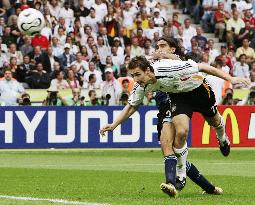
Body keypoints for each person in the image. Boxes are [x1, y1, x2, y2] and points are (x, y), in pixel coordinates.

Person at [99, 37, 249, 198]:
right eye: (133, 75)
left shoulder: (170, 68)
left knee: (214, 121)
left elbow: (203, 67)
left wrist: (231, 79)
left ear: (148, 71)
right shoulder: (143, 84)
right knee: (182, 132)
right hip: (179, 97)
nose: (135, 79)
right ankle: (181, 172)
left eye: (137, 75)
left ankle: (223, 137)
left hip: (198, 90)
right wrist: (114, 124)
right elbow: (132, 105)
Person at [155, 91, 223, 195]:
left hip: (173, 105)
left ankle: (171, 184)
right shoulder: (152, 82)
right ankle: (210, 188)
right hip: (164, 107)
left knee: (171, 151)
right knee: (179, 159)